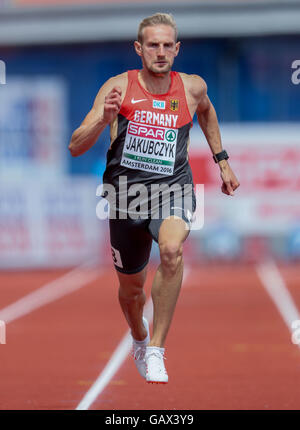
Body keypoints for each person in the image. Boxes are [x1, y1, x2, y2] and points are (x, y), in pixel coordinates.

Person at [69, 13, 240, 384]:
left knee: (172, 251)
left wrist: (222, 160)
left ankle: (157, 349)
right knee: (131, 292)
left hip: (173, 190)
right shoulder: (117, 87)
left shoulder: (192, 88)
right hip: (125, 197)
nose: (160, 52)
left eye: (167, 45)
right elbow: (75, 146)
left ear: (176, 49)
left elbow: (207, 114)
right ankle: (140, 336)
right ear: (138, 48)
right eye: (152, 45)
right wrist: (104, 119)